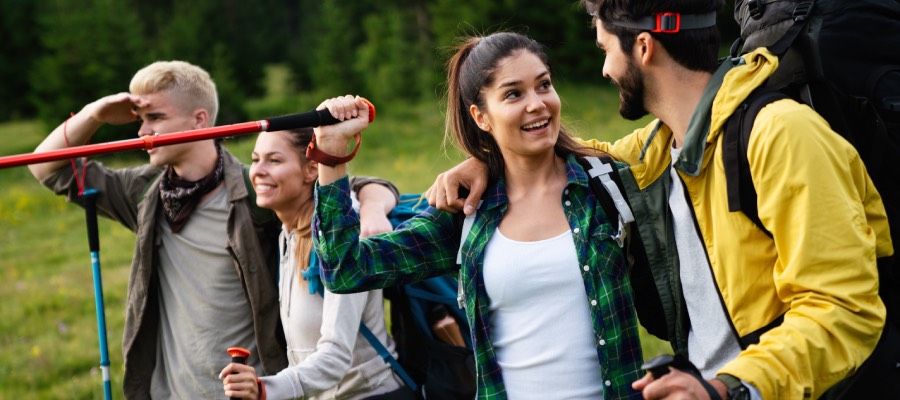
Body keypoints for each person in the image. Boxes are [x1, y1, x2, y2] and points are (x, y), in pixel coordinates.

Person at [425, 1, 893, 399]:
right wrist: (490, 158)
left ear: (643, 48)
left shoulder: (781, 135)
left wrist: (728, 387)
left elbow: (843, 308)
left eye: (607, 50)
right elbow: (568, 161)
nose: (605, 68)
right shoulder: (657, 150)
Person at [27, 61, 398, 399]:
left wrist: (373, 205)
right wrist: (95, 114)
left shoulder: (255, 190)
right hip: (166, 392)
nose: (142, 132)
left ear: (199, 120)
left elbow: (334, 188)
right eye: (140, 119)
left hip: (247, 389)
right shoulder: (143, 193)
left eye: (154, 117)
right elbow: (47, 169)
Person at [309, 32, 646, 399]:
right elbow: (346, 269)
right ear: (481, 116)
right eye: (513, 94)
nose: (537, 104)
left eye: (544, 85)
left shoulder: (606, 186)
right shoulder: (467, 211)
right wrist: (331, 153)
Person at [218, 127, 412, 400]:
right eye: (255, 158)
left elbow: (335, 356)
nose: (258, 170)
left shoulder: (341, 237)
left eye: (274, 160)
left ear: (311, 170)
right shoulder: (288, 234)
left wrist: (264, 389)